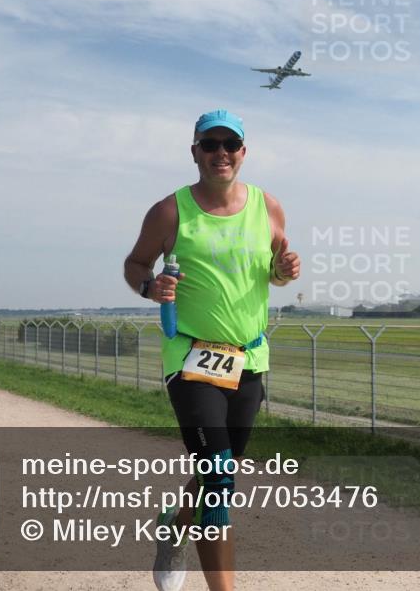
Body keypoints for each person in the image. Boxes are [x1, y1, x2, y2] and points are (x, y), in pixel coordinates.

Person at [124, 110, 300, 591]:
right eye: (210, 144)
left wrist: (284, 271)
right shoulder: (170, 211)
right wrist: (150, 286)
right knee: (219, 481)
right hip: (192, 358)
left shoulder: (269, 207)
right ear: (195, 151)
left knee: (216, 474)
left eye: (230, 144)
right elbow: (136, 263)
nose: (220, 152)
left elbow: (273, 273)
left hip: (249, 359)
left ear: (243, 152)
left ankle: (173, 525)